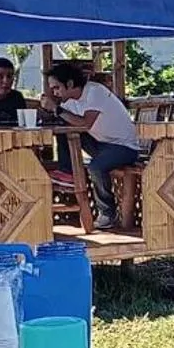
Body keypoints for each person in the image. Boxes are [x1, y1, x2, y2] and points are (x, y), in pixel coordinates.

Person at [42, 61, 144, 231]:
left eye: (56, 88)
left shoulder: (94, 92)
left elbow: (85, 123)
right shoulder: (69, 101)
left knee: (96, 167)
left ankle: (108, 214)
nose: (54, 92)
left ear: (69, 84)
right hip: (101, 144)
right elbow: (66, 119)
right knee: (64, 128)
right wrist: (49, 112)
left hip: (124, 147)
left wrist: (57, 110)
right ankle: (68, 173)